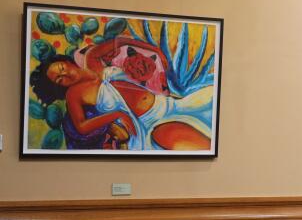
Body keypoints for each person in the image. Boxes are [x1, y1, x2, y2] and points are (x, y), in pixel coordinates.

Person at [30, 54, 213, 151]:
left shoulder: (93, 60)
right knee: (180, 138)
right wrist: (116, 115)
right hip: (146, 126)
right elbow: (82, 127)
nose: (66, 75)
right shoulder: (74, 94)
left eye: (62, 68)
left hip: (169, 104)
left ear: (66, 61)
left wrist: (156, 52)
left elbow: (126, 41)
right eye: (59, 80)